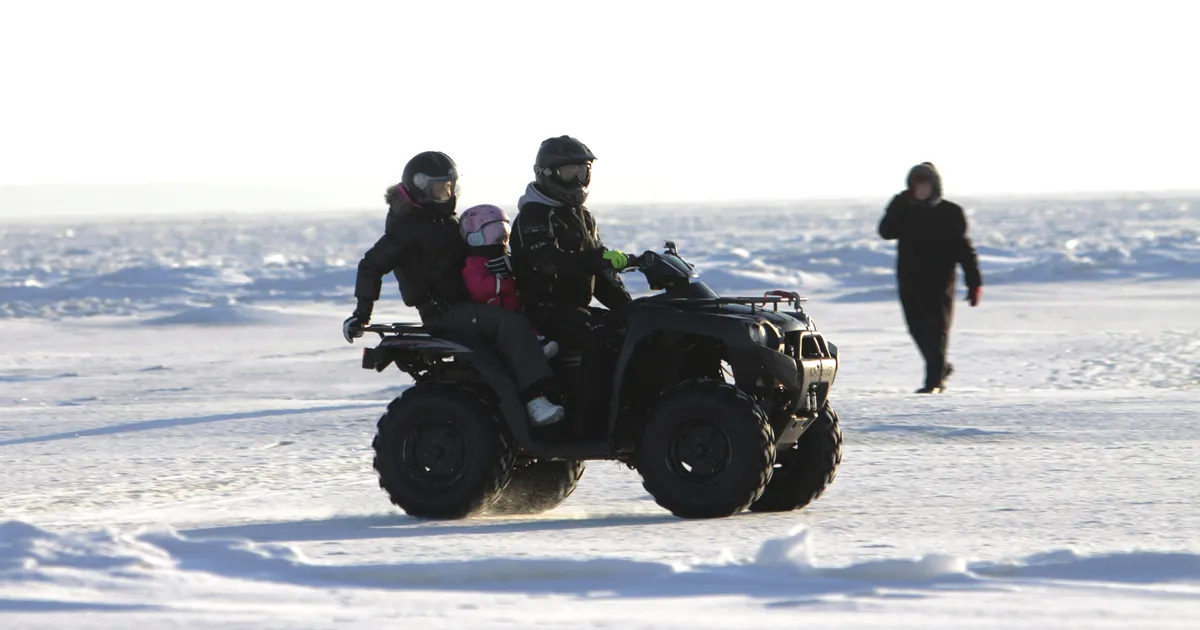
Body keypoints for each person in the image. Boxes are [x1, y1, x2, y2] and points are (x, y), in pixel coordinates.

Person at [342, 151, 565, 426]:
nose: (445, 196)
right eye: (438, 190)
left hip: (467, 302)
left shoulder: (445, 223)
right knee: (511, 324)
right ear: (419, 189)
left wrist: (501, 259)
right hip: (444, 312)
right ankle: (535, 400)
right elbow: (370, 266)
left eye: (449, 188)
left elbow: (472, 254)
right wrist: (362, 313)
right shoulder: (405, 231)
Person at [505, 135, 633, 350]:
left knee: (636, 328)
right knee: (601, 341)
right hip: (546, 312)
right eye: (568, 173)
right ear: (545, 173)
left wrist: (628, 307)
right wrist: (599, 259)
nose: (576, 181)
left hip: (577, 309)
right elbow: (550, 261)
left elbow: (599, 273)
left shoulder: (583, 216)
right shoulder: (534, 216)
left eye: (581, 172)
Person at [878, 162, 983, 394]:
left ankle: (934, 381)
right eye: (916, 186)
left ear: (934, 186)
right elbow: (886, 232)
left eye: (925, 185)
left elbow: (964, 249)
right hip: (910, 280)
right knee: (917, 329)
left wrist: (974, 282)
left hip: (940, 282)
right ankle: (941, 368)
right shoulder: (905, 209)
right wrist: (897, 203)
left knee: (936, 331)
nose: (921, 190)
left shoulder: (951, 212)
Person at [457, 203, 558, 359]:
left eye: (504, 237)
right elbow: (478, 288)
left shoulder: (504, 260)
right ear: (475, 237)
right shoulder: (474, 263)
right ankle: (531, 351)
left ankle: (538, 343)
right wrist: (505, 284)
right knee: (515, 325)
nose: (501, 242)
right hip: (494, 310)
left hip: (512, 306)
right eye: (495, 235)